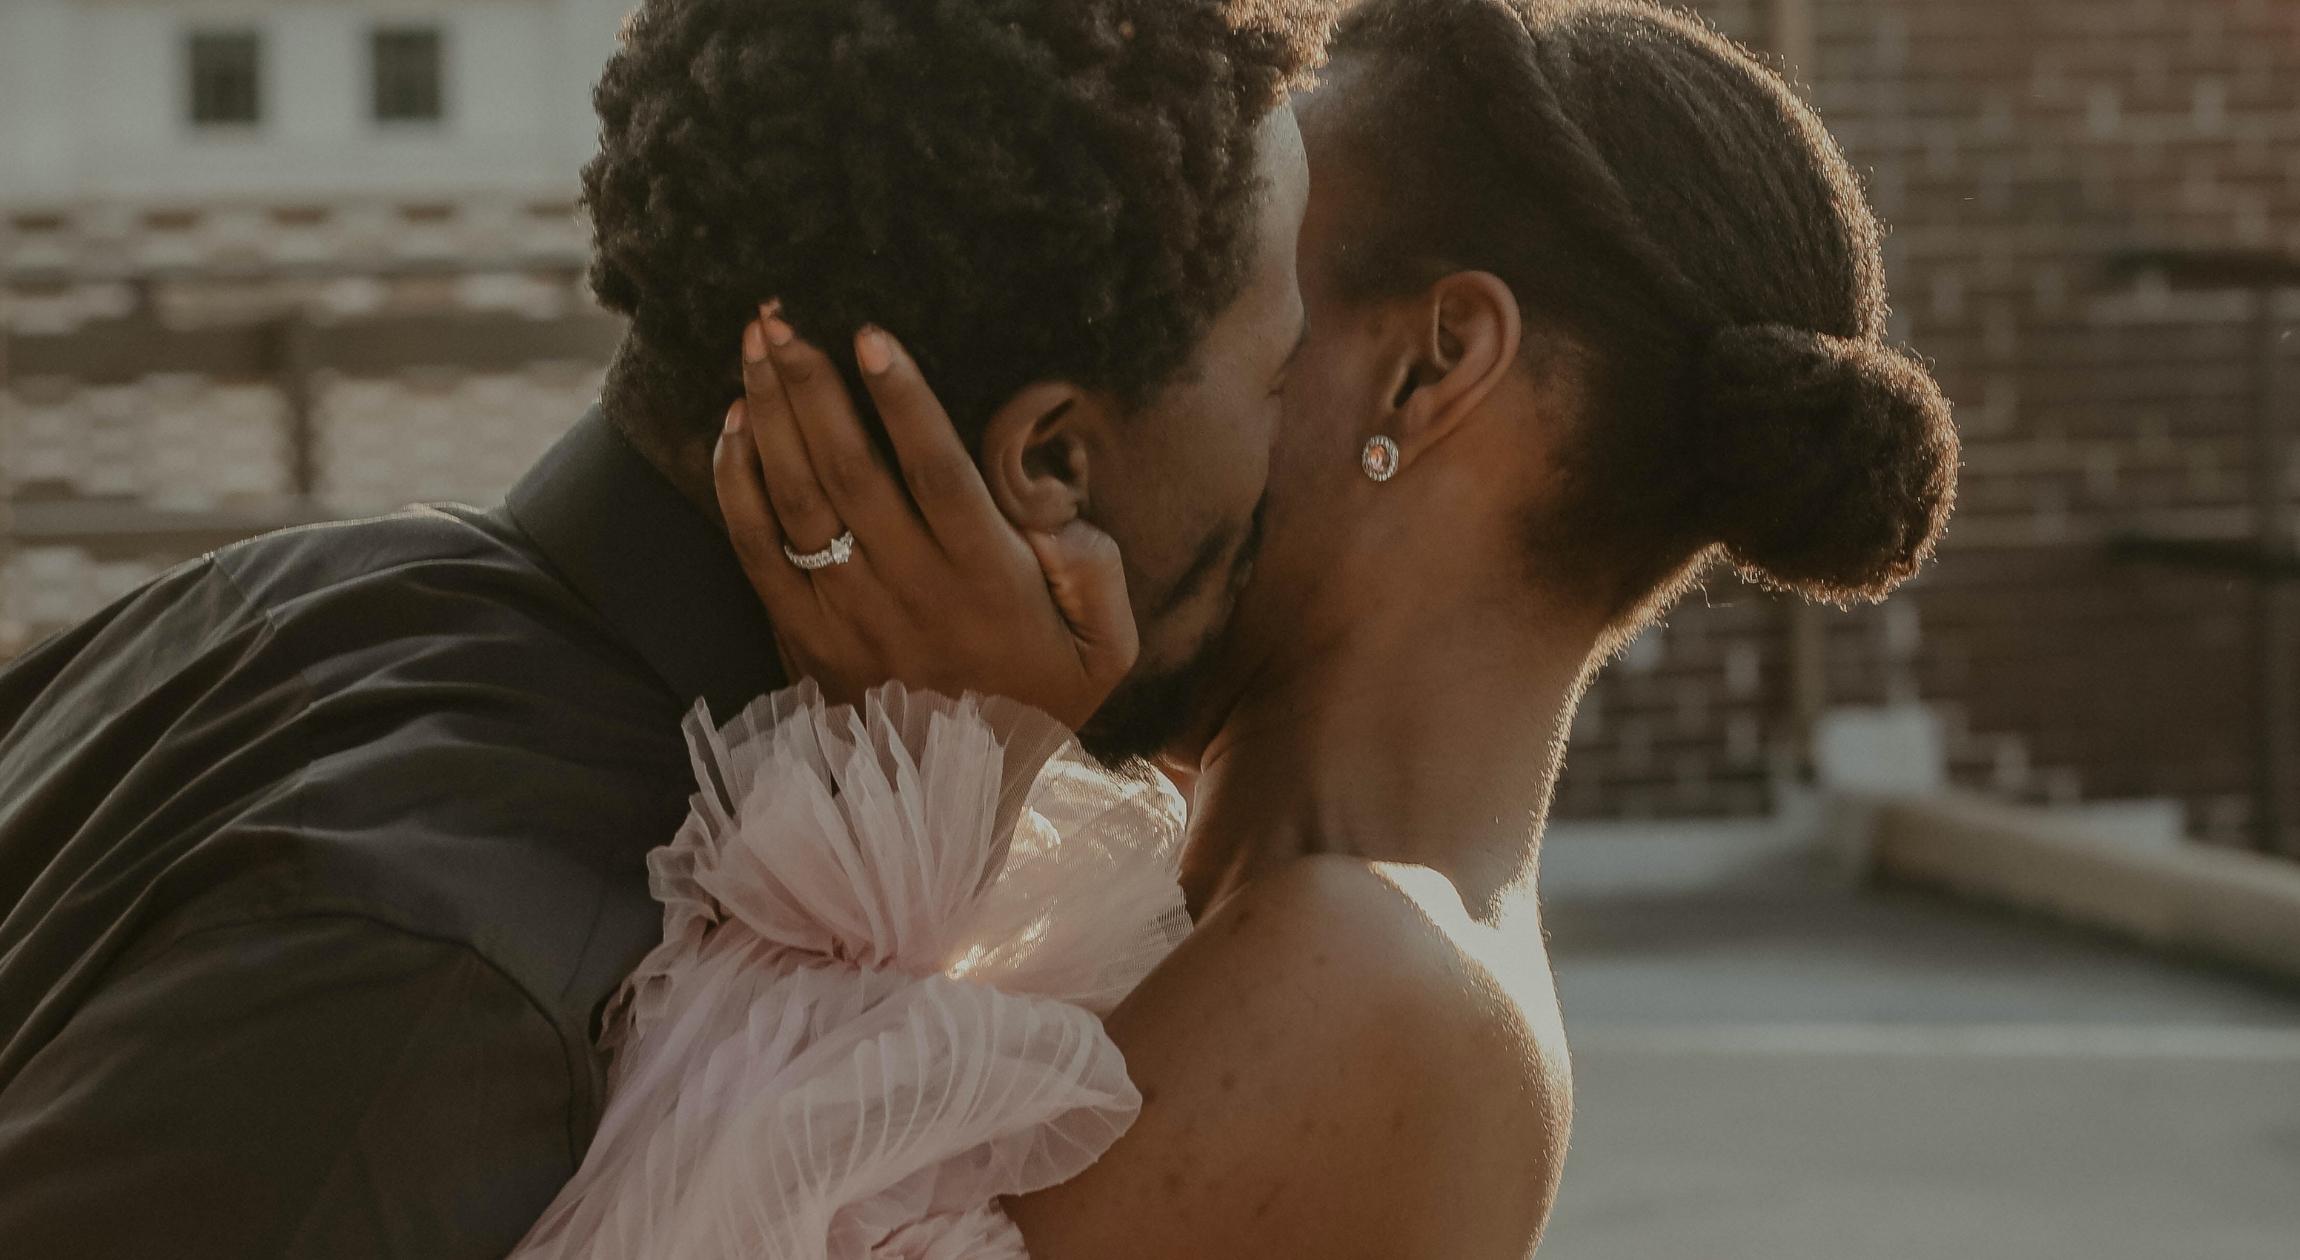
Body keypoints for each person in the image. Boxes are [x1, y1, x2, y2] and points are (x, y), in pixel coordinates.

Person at [635, 1, 1961, 1256]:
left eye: (1235, 286)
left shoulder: (1367, 977)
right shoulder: (1206, 865)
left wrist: (930, 749)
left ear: (1433, 368)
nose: (1142, 343)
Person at [0, 1, 1324, 1254]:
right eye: (1280, 376)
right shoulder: (468, 973)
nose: (1309, 447)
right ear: (1047, 461)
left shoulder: (293, 596)